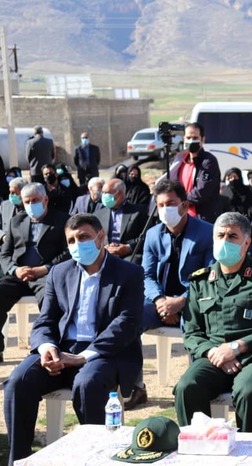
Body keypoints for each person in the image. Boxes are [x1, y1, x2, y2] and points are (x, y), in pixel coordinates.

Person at [3, 213, 144, 465]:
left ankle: (95, 458)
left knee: (88, 384)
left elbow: (126, 323)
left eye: (84, 237)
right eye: (71, 240)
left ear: (101, 237)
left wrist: (83, 357)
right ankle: (19, 460)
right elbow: (45, 320)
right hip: (62, 349)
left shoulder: (129, 273)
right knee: (18, 382)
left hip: (103, 352)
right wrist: (47, 347)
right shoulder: (59, 272)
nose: (78, 245)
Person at [174, 212, 252, 431]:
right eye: (220, 236)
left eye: (232, 236)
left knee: (248, 391)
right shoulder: (201, 281)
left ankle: (251, 449)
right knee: (187, 387)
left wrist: (237, 347)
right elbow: (191, 332)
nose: (225, 241)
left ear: (246, 243)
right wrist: (214, 352)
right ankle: (200, 447)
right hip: (215, 357)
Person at [121, 180, 214, 410]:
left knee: (198, 328)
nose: (165, 209)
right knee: (127, 320)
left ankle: (198, 388)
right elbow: (146, 274)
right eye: (160, 205)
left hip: (193, 301)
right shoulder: (153, 234)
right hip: (159, 301)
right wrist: (160, 301)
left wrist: (181, 301)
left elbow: (210, 276)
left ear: (184, 205)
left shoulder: (207, 232)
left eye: (170, 203)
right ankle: (134, 387)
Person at [0, 182, 70, 359]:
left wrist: (45, 268)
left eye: (35, 200)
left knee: (50, 302)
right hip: (19, 275)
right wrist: (14, 270)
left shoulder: (62, 220)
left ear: (45, 200)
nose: (31, 205)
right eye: (27, 202)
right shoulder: (16, 221)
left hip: (47, 275)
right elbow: (5, 254)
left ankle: (49, 347)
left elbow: (68, 252)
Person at [168, 122, 221, 223]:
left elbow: (202, 191)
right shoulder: (179, 161)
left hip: (202, 218)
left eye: (195, 138)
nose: (191, 141)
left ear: (202, 139)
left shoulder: (208, 161)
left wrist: (180, 201)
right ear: (184, 139)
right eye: (188, 138)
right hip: (181, 217)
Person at [94, 178, 149, 263]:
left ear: (120, 193)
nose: (104, 196)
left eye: (107, 193)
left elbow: (147, 236)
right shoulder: (98, 214)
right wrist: (103, 248)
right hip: (104, 254)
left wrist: (128, 247)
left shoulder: (139, 212)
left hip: (129, 256)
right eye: (103, 193)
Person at [0, 177, 27, 247]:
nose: (11, 195)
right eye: (10, 192)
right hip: (4, 246)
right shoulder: (5, 205)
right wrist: (3, 236)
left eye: (14, 193)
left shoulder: (30, 208)